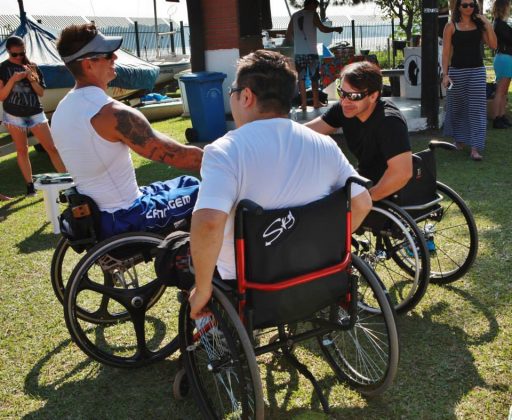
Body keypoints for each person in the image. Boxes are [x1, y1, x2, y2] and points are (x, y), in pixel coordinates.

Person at [188, 50, 372, 320]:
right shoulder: (324, 145)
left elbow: (208, 224)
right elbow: (362, 202)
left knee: (183, 257)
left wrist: (202, 289)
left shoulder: (225, 151)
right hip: (319, 275)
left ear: (247, 96)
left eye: (233, 91)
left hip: (253, 289)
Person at [51, 24, 203, 239]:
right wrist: (225, 160)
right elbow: (180, 157)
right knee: (201, 192)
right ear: (88, 64)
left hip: (97, 215)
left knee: (188, 183)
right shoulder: (112, 113)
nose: (115, 57)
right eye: (107, 54)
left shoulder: (61, 110)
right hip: (125, 216)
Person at [306, 61, 412, 202]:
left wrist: (365, 200)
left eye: (354, 96)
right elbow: (308, 131)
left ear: (373, 96)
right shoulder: (344, 109)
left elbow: (402, 173)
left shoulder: (389, 122)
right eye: (341, 93)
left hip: (387, 192)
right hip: (363, 181)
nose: (344, 101)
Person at [0, 36, 66, 196]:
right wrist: (13, 80)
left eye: (21, 53)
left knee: (52, 148)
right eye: (15, 54)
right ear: (8, 51)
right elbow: (2, 96)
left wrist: (32, 79)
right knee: (22, 150)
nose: (19, 57)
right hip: (13, 115)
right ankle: (30, 186)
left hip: (35, 113)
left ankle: (67, 179)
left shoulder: (32, 67)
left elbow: (41, 92)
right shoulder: (2, 68)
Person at [441, 0, 497, 161]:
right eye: (464, 5)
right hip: (457, 72)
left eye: (471, 5)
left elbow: (493, 45)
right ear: (458, 7)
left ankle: (475, 148)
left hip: (477, 71)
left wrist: (487, 22)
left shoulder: (480, 25)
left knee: (477, 109)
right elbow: (445, 53)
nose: (468, 8)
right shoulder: (451, 26)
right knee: (458, 108)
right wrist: (445, 74)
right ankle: (459, 140)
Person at [285, 0, 343, 111]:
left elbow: (288, 35)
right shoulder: (313, 15)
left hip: (299, 54)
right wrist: (335, 28)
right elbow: (323, 28)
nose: (316, 8)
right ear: (310, 4)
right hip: (312, 53)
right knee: (314, 78)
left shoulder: (295, 15)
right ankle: (316, 102)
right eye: (315, 6)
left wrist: (297, 42)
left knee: (301, 79)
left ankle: (303, 104)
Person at [491, 0, 512, 129]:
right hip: (504, 58)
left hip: (506, 58)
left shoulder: (500, 23)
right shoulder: (499, 24)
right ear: (503, 8)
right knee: (500, 91)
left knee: (503, 92)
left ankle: (502, 116)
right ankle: (496, 119)